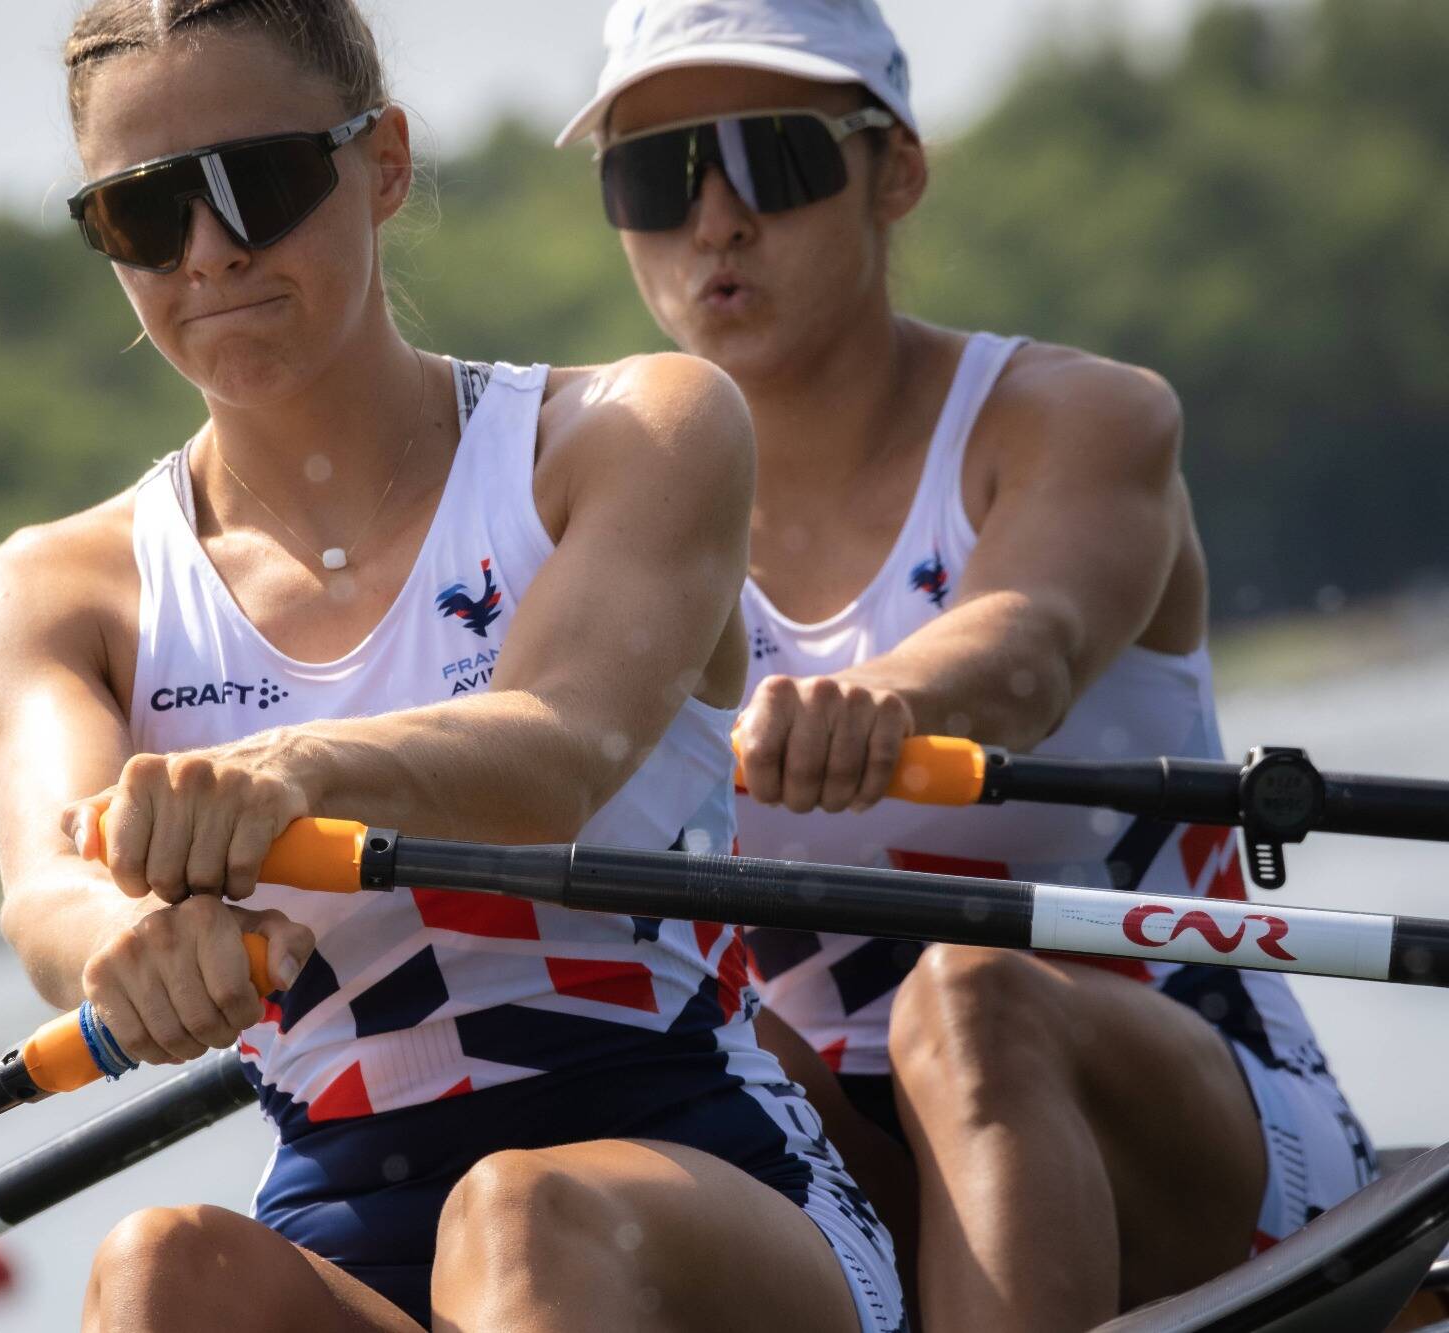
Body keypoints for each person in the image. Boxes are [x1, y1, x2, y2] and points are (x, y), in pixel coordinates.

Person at [0, 2, 903, 1329]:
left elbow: (555, 753)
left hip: (702, 1163)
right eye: (146, 214)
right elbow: (51, 885)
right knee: (158, 1268)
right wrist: (131, 944)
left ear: (382, 161)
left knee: (520, 1217)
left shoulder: (632, 432)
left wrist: (291, 772)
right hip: (349, 1211)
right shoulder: (38, 596)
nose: (211, 252)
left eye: (260, 183)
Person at [559, 1, 1375, 1329]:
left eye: (773, 157)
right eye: (656, 175)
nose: (715, 219)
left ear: (899, 171)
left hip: (1201, 1113)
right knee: (636, 1060)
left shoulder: (1081, 420)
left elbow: (1029, 648)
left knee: (971, 997)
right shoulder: (602, 513)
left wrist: (892, 697)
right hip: (843, 1141)